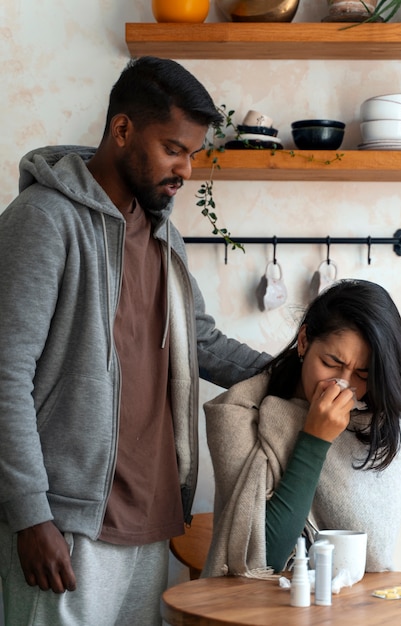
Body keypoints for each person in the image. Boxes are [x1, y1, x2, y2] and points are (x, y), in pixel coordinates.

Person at [0, 56, 271, 626]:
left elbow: (201, 341)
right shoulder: (44, 220)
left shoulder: (163, 234)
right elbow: (4, 374)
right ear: (122, 130)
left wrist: (295, 371)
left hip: (149, 520)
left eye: (193, 154)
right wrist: (29, 515)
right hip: (68, 522)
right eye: (174, 149)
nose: (185, 170)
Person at [202, 279, 401, 579]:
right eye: (331, 363)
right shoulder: (240, 412)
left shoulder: (377, 422)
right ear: (304, 341)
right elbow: (262, 559)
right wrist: (314, 439)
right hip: (255, 611)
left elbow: (374, 555)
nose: (342, 384)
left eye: (362, 374)